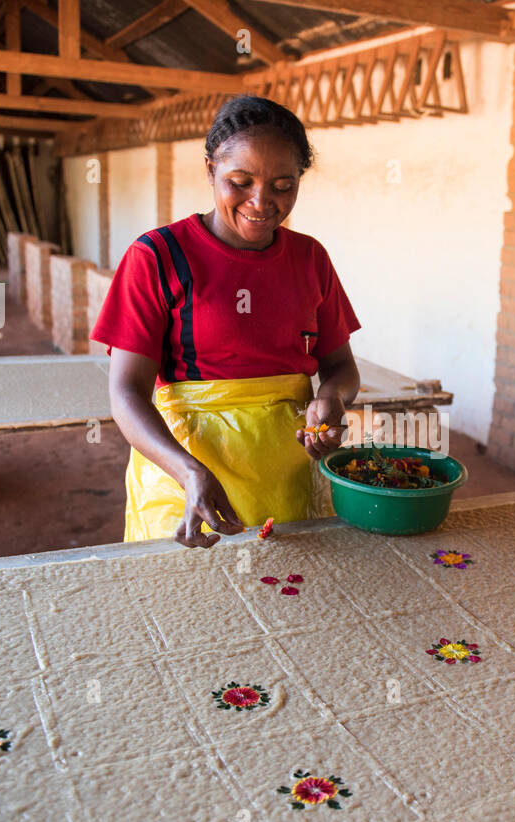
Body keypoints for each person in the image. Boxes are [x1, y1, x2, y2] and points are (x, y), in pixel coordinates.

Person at [91, 95, 361, 548]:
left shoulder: (309, 258)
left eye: (282, 185)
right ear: (210, 169)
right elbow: (125, 393)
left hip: (286, 473)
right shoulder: (157, 256)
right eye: (240, 181)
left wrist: (332, 399)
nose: (261, 202)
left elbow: (341, 367)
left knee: (289, 599)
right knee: (187, 604)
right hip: (184, 471)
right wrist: (188, 470)